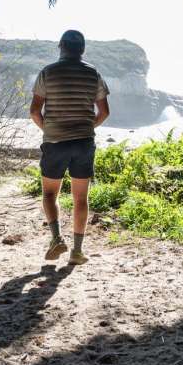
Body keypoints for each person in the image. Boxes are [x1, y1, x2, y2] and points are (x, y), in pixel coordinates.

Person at [30, 29, 110, 265]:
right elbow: (104, 112)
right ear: (82, 49)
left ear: (61, 46)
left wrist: (48, 128)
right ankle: (77, 251)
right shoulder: (93, 74)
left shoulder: (48, 73)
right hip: (84, 143)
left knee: (49, 193)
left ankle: (56, 239)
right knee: (80, 198)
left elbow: (34, 111)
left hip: (55, 142)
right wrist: (87, 127)